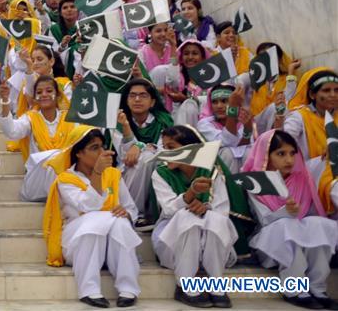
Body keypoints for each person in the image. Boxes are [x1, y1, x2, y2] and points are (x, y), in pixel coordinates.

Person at [44, 127, 141, 308]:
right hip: (78, 242)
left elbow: (131, 208)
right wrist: (97, 173)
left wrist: (126, 213)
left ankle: (128, 288)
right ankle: (89, 289)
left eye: (102, 146)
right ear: (79, 153)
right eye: (94, 148)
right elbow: (89, 206)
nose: (102, 152)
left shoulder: (113, 174)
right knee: (95, 219)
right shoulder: (66, 179)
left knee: (120, 222)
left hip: (110, 241)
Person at [242, 130, 338, 309]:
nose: (289, 160)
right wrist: (284, 212)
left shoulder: (302, 178)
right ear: (265, 155)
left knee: (320, 224)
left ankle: (317, 287)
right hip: (268, 242)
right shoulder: (254, 181)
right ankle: (294, 289)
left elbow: (309, 215)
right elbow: (264, 221)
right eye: (281, 154)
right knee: (287, 225)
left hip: (297, 233)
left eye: (292, 153)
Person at [149, 126, 239, 308]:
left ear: (190, 149)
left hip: (208, 238)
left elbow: (222, 210)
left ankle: (216, 285)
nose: (166, 153)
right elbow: (169, 210)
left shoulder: (212, 172)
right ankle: (185, 286)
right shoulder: (160, 173)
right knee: (186, 217)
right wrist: (191, 193)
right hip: (172, 239)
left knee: (215, 219)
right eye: (164, 148)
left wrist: (205, 209)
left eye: (171, 147)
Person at [0, 76, 77, 202]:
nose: (44, 94)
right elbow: (12, 131)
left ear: (58, 95)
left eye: (49, 91)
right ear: (35, 98)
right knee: (54, 157)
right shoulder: (30, 118)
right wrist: (5, 101)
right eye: (39, 92)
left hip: (64, 180)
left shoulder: (69, 119)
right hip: (37, 180)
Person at [117, 78, 174, 226]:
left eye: (143, 95)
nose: (137, 99)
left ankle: (140, 213)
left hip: (156, 168)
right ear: (126, 100)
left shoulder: (163, 122)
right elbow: (125, 156)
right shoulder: (118, 121)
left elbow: (164, 150)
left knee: (148, 158)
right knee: (140, 160)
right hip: (123, 172)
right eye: (132, 95)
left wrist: (139, 146)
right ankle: (133, 213)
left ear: (152, 102)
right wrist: (127, 128)